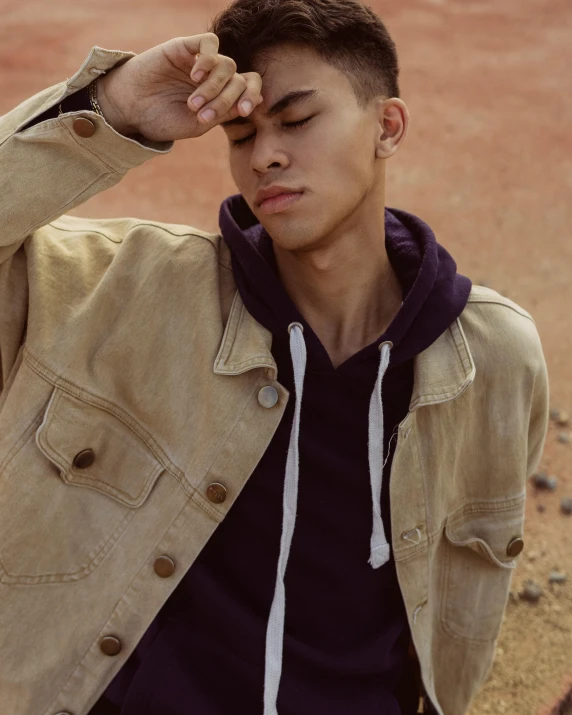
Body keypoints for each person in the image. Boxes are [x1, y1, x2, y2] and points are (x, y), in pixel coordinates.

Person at [0, 0, 549, 714]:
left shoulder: (494, 359)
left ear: (387, 127)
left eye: (296, 120)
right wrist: (116, 106)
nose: (265, 156)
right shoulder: (131, 291)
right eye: (242, 133)